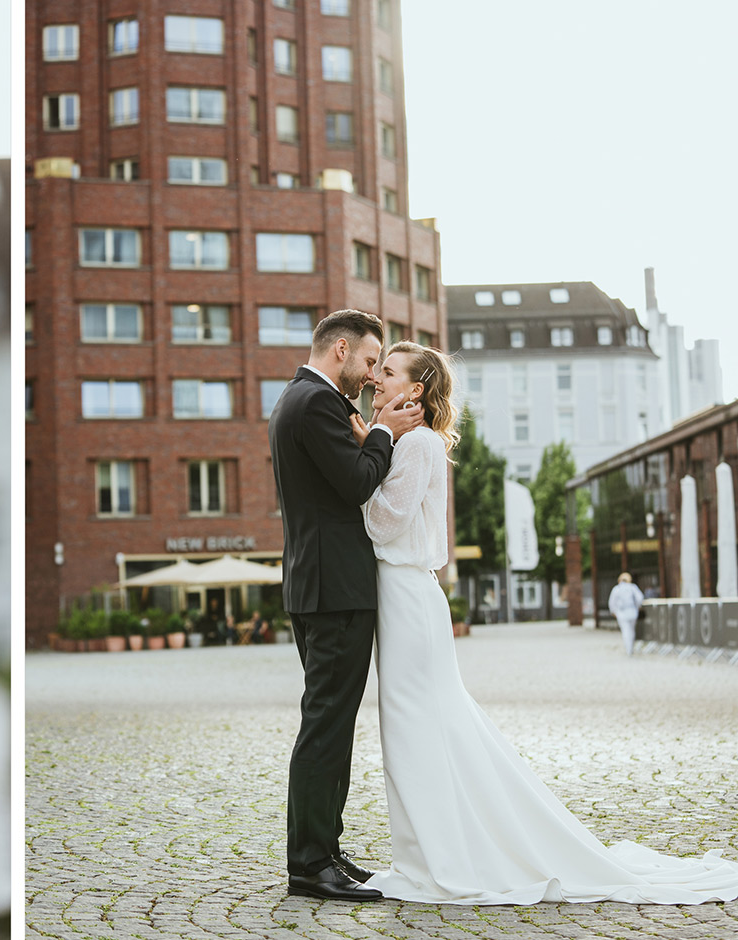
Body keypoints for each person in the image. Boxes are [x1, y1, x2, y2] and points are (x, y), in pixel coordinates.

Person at [357, 341, 738, 904]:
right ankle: (436, 849)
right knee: (427, 726)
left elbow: (385, 525)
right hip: (410, 599)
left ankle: (437, 858)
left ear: (415, 389)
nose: (376, 381)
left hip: (407, 598)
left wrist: (369, 462)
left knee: (414, 728)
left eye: (387, 373)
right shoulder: (420, 442)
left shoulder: (412, 443)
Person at [266, 309, 425, 901]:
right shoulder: (315, 403)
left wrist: (371, 427)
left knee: (330, 722)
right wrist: (384, 430)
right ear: (339, 348)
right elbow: (358, 482)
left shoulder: (301, 399)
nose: (369, 373)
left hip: (321, 585)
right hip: (334, 591)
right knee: (325, 726)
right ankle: (309, 863)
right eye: (366, 360)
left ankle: (325, 847)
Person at [608, 573, 645, 655]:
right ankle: (631, 647)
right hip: (632, 611)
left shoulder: (616, 589)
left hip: (622, 613)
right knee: (631, 630)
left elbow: (612, 602)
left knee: (625, 630)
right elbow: (640, 598)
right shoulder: (633, 587)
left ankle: (628, 648)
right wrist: (637, 607)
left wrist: (613, 611)